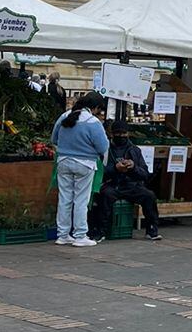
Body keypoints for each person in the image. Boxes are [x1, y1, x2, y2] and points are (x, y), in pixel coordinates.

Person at [51, 91, 109, 246]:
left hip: (63, 161)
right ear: (95, 107)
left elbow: (54, 138)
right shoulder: (93, 122)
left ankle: (62, 235)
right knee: (81, 200)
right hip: (85, 164)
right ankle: (80, 235)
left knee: (64, 199)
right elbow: (103, 146)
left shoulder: (64, 116)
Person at [95, 129, 161, 241]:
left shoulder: (135, 150)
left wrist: (133, 167)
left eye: (123, 134)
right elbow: (99, 172)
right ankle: (100, 232)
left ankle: (152, 230)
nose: (121, 136)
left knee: (149, 196)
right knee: (105, 196)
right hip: (112, 184)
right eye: (118, 133)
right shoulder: (105, 150)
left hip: (131, 185)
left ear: (128, 134)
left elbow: (144, 174)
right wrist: (115, 168)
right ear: (112, 134)